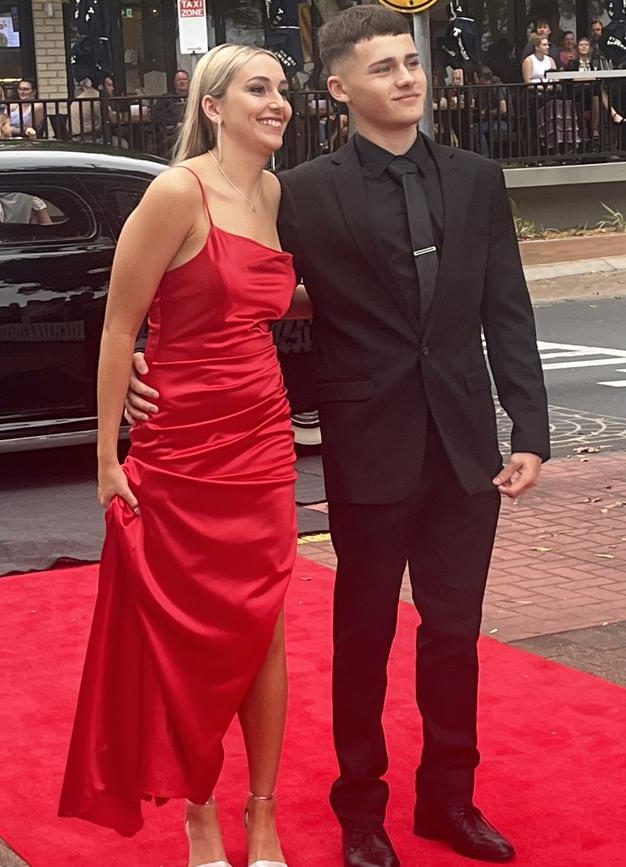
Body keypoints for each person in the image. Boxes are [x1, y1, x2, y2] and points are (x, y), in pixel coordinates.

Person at [128, 6, 550, 866]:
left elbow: (508, 310)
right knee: (364, 635)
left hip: (466, 444)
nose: (406, 78)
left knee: (454, 631)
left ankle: (450, 799)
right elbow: (218, 274)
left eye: (411, 63)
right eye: (384, 67)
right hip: (368, 446)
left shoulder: (477, 179)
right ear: (341, 87)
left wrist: (530, 427)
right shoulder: (302, 192)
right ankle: (362, 811)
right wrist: (147, 357)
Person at [59, 43, 307, 867]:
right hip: (182, 443)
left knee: (263, 625)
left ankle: (261, 814)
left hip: (262, 437)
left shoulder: (272, 190)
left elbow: (261, 296)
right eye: (259, 89)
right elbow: (119, 329)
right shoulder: (176, 192)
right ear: (212, 106)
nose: (279, 102)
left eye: (284, 90)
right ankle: (200, 811)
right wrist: (106, 458)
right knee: (189, 633)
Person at [154, 68, 191, 152]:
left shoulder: (195, 97)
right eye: (179, 80)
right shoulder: (166, 99)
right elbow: (157, 116)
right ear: (175, 83)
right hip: (172, 133)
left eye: (184, 79)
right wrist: (175, 124)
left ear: (189, 81)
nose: (182, 82)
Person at [69, 77, 102, 141]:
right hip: (91, 139)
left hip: (75, 138)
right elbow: (109, 119)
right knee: (123, 143)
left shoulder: (77, 100)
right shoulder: (96, 98)